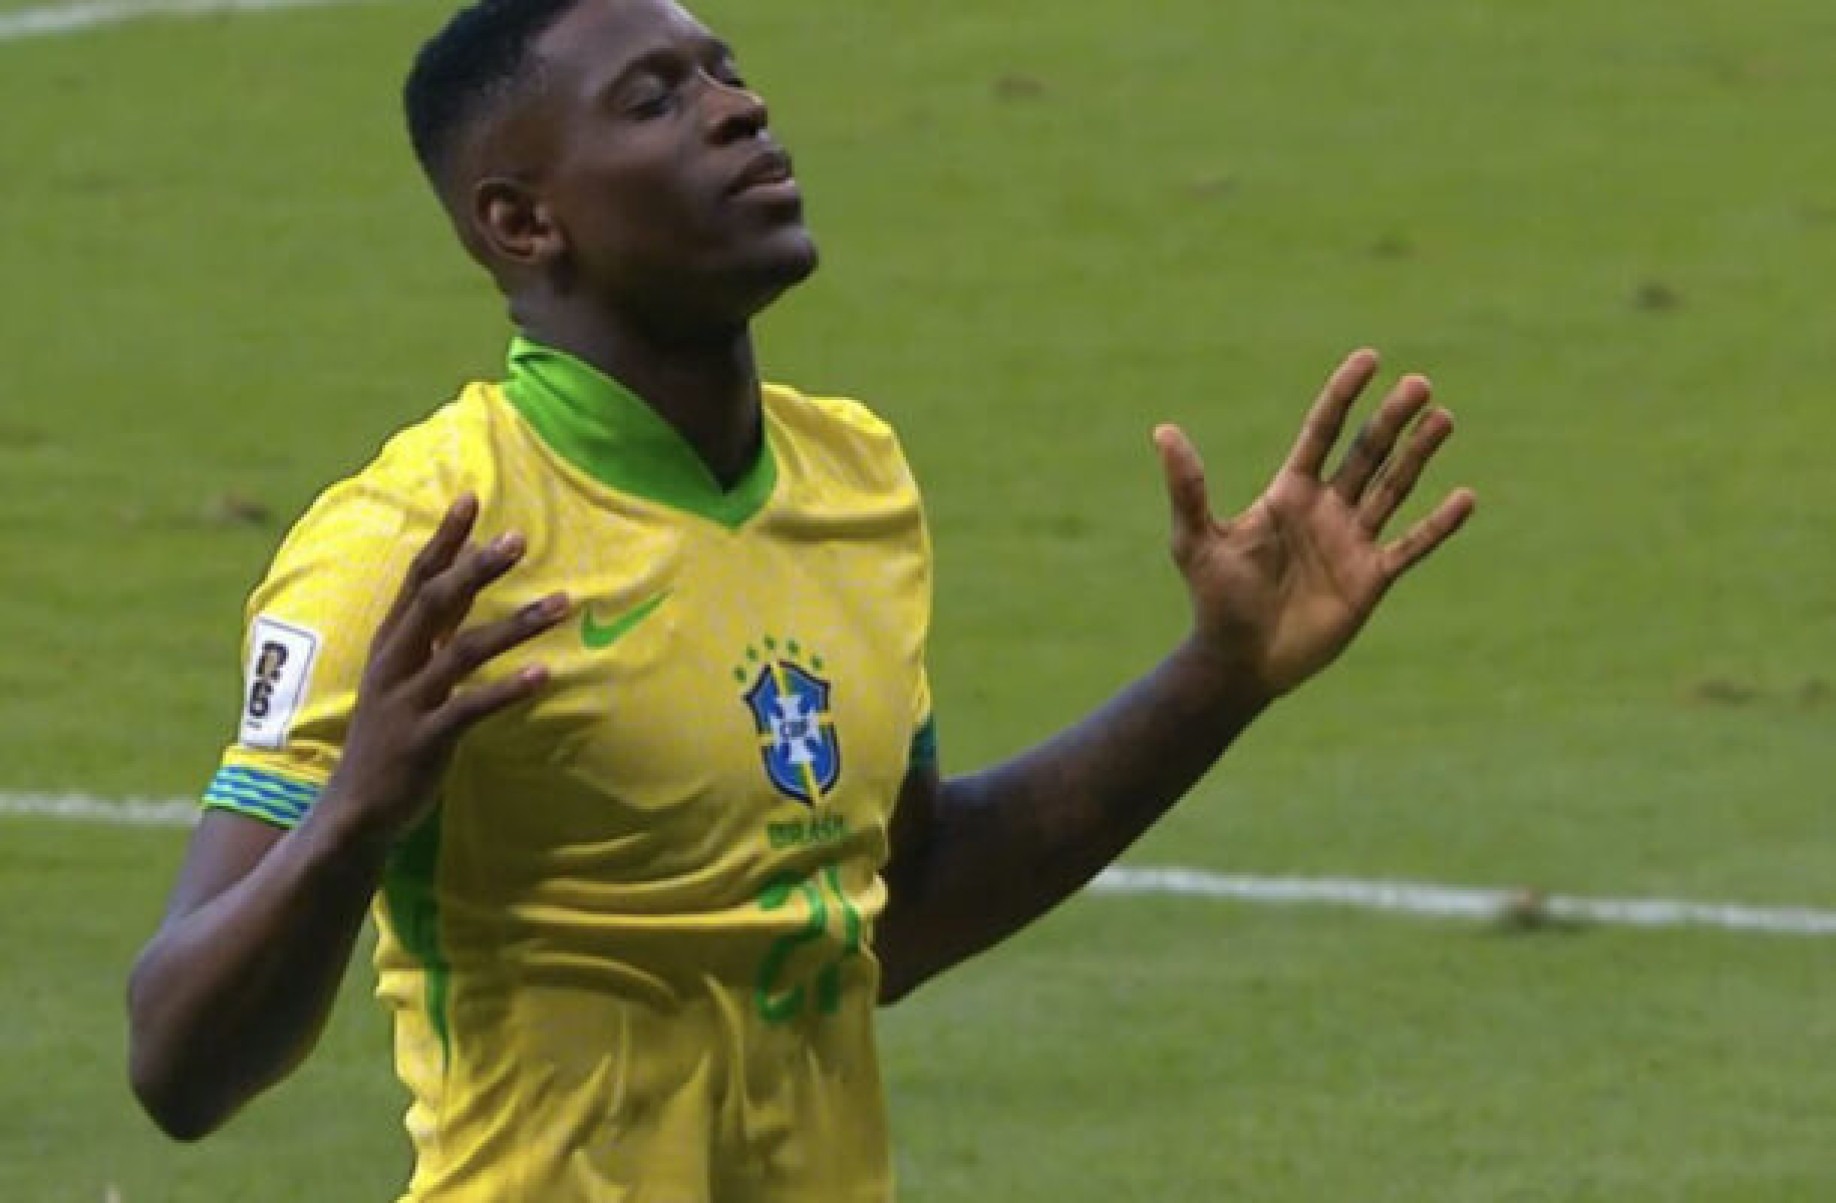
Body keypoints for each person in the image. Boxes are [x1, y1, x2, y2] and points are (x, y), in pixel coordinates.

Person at [124, 0, 1476, 1196]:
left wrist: (1218, 679)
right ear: (524, 222)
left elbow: (895, 915)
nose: (738, 107)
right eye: (657, 98)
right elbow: (177, 1062)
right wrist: (357, 817)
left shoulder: (852, 479)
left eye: (725, 72)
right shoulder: (423, 542)